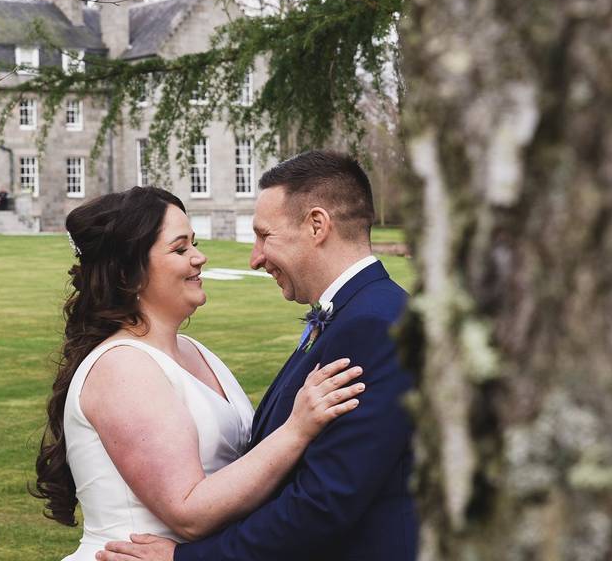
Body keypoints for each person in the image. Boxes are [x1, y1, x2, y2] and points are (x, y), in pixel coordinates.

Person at [98, 151, 417, 561]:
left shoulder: (372, 324)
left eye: (265, 235)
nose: (255, 258)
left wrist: (185, 560)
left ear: (317, 225)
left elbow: (323, 501)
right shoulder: (358, 313)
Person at [33, 186, 368, 561]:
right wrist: (298, 428)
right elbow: (188, 513)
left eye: (195, 243)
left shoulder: (194, 351)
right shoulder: (122, 367)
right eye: (180, 249)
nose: (199, 257)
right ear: (129, 274)